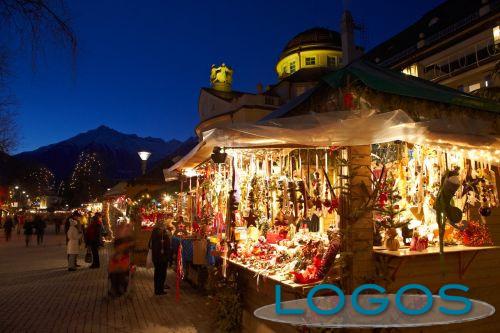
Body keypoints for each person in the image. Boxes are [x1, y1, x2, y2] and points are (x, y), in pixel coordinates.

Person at [108, 223, 135, 297]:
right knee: (114, 274)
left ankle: (119, 288)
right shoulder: (121, 240)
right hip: (119, 260)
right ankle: (115, 288)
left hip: (124, 261)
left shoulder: (128, 240)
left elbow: (130, 249)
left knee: (122, 274)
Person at [148, 221, 171, 295]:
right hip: (162, 257)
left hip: (156, 257)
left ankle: (157, 289)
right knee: (161, 273)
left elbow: (149, 245)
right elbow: (167, 246)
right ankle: (159, 289)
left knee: (157, 273)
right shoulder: (163, 235)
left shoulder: (154, 234)